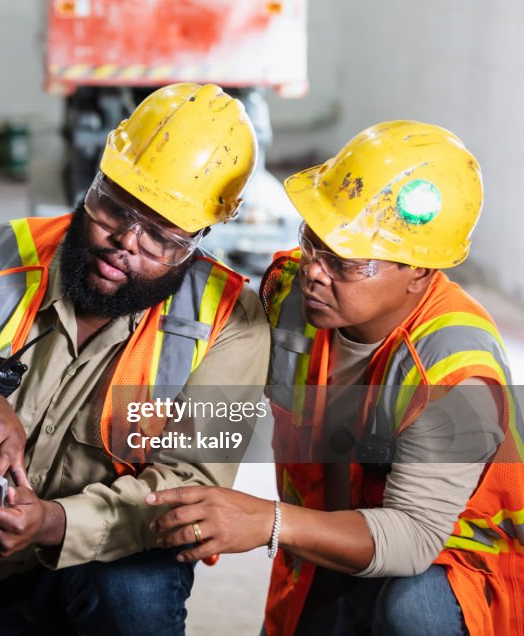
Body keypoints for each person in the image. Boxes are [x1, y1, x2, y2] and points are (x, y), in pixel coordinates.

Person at [0, 83, 270, 635]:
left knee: (130, 596)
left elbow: (191, 485)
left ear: (198, 239)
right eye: (114, 206)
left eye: (160, 237)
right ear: (95, 179)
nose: (125, 242)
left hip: (120, 556)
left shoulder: (232, 323)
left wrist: (54, 523)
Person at [146, 121, 524, 635]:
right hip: (334, 541)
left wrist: (267, 520)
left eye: (344, 261)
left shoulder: (454, 370)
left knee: (413, 612)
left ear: (419, 271)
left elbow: (413, 537)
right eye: (312, 242)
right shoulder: (291, 297)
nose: (314, 271)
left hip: (454, 570)